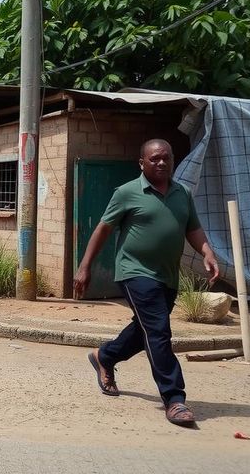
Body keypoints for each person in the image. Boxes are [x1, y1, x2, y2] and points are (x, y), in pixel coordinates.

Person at [73, 139, 219, 427]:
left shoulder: (183, 193)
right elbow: (103, 229)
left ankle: (104, 356)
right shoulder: (127, 193)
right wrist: (85, 266)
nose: (161, 163)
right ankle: (174, 399)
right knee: (158, 331)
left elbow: (193, 228)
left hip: (167, 275)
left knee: (146, 330)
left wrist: (207, 251)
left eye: (166, 158)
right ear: (142, 163)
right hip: (134, 272)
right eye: (154, 159)